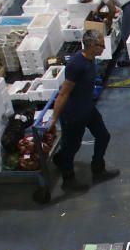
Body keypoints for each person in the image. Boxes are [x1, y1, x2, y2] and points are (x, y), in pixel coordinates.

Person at [48, 30, 120, 192]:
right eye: (101, 45)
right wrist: (54, 118)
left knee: (103, 136)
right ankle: (68, 179)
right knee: (71, 146)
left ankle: (97, 167)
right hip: (74, 113)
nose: (103, 48)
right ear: (92, 45)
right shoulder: (76, 64)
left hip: (87, 107)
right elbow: (64, 93)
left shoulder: (91, 59)